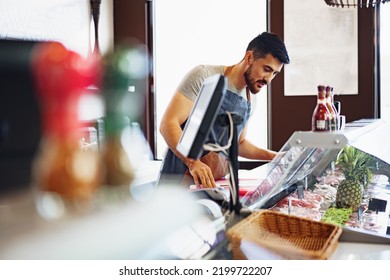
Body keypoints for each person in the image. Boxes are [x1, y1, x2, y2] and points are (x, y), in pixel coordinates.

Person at [157, 32, 290, 189]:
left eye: (274, 73)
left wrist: (275, 157)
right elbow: (168, 124)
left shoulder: (250, 99)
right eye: (267, 69)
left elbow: (238, 143)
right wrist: (193, 162)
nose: (268, 79)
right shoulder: (204, 76)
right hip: (179, 184)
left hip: (213, 186)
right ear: (249, 58)